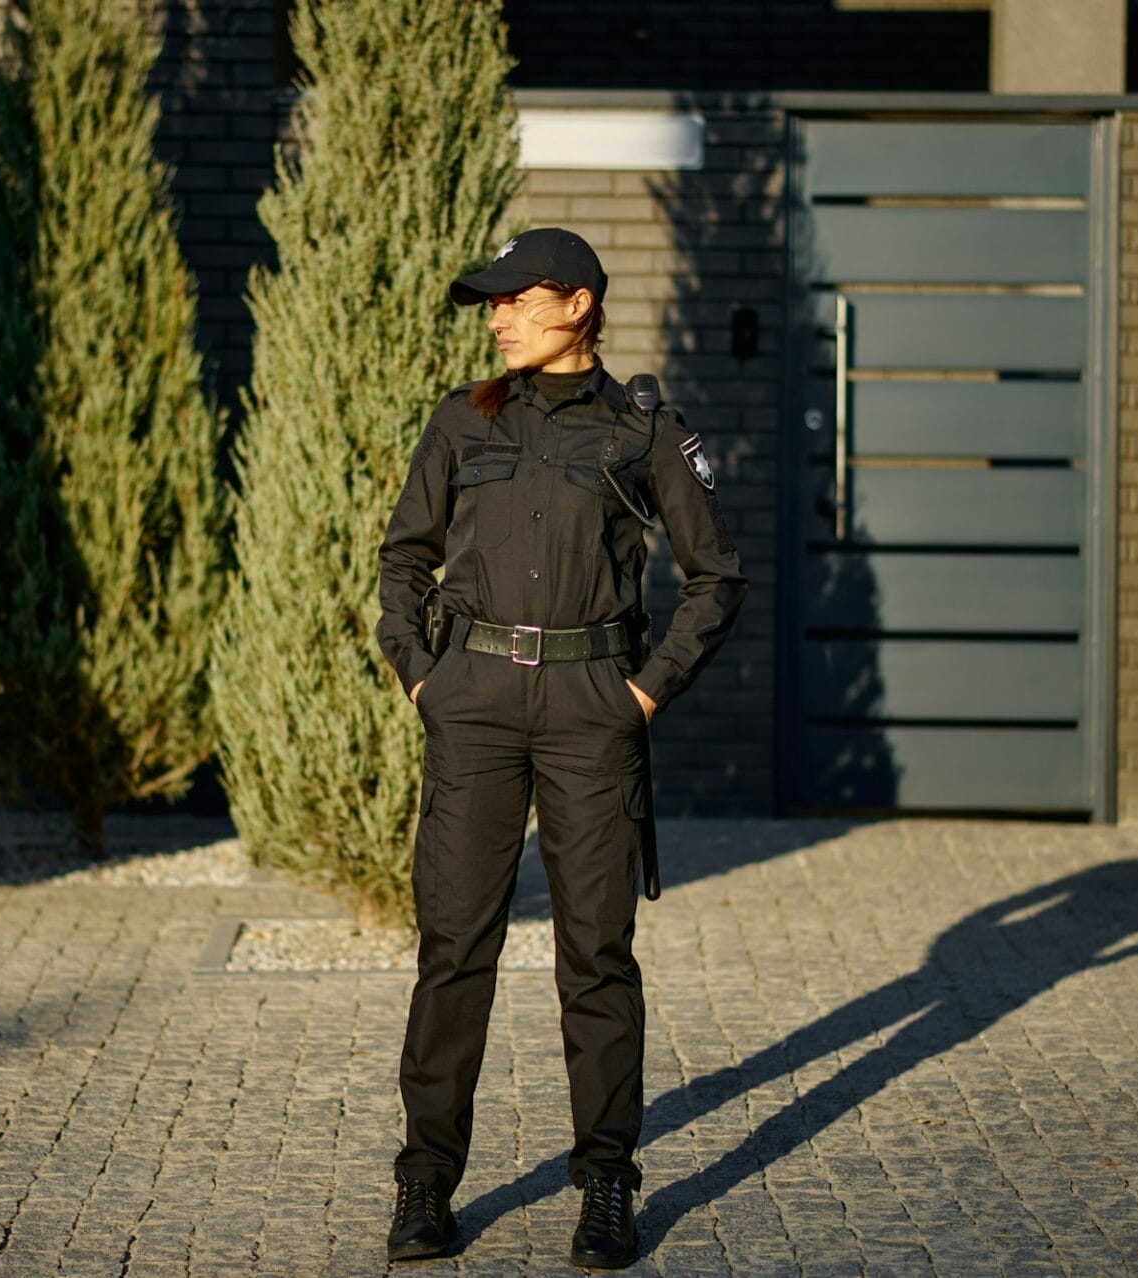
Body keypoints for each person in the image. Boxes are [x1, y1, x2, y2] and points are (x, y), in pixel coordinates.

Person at [375, 227, 748, 1268]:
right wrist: (422, 677)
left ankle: (607, 1185)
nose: (495, 316)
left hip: (593, 706)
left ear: (577, 303)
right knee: (456, 948)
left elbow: (716, 577)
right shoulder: (462, 421)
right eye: (488, 303)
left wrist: (642, 693)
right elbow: (403, 559)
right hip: (476, 705)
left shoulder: (643, 433)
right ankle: (425, 1184)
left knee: (596, 955)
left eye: (512, 298)